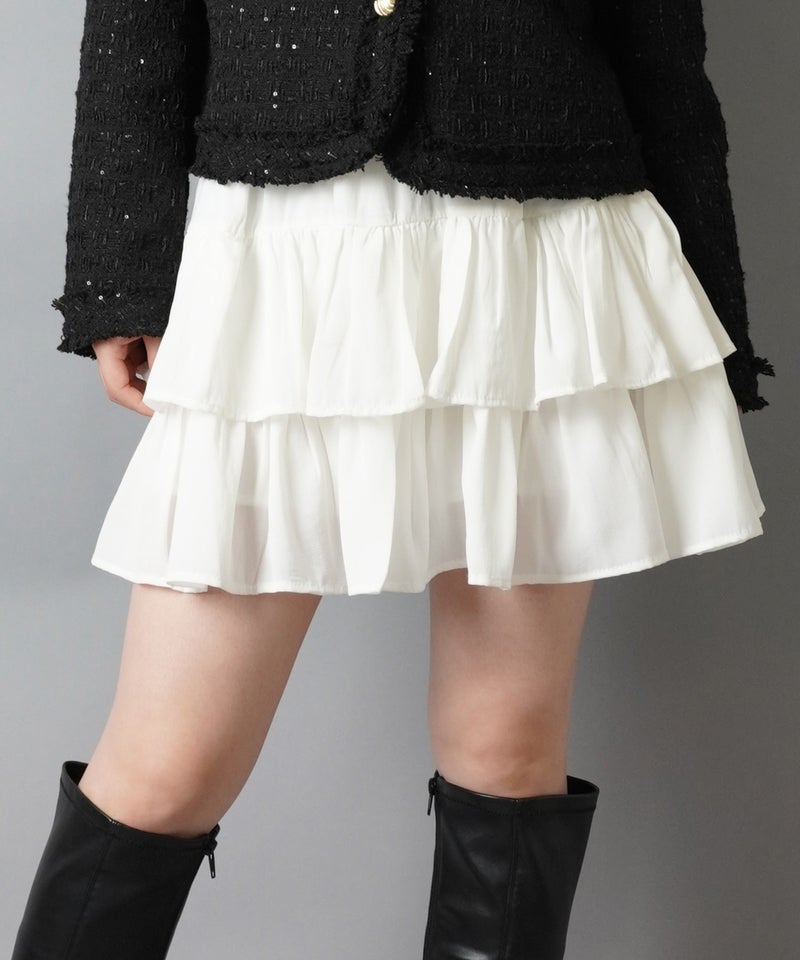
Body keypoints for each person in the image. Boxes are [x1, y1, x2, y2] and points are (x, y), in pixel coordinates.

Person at [12, 0, 774, 958]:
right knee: (165, 767)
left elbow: (664, 59)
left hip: (541, 260)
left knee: (506, 750)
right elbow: (137, 28)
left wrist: (711, 328)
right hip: (284, 260)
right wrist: (120, 272)